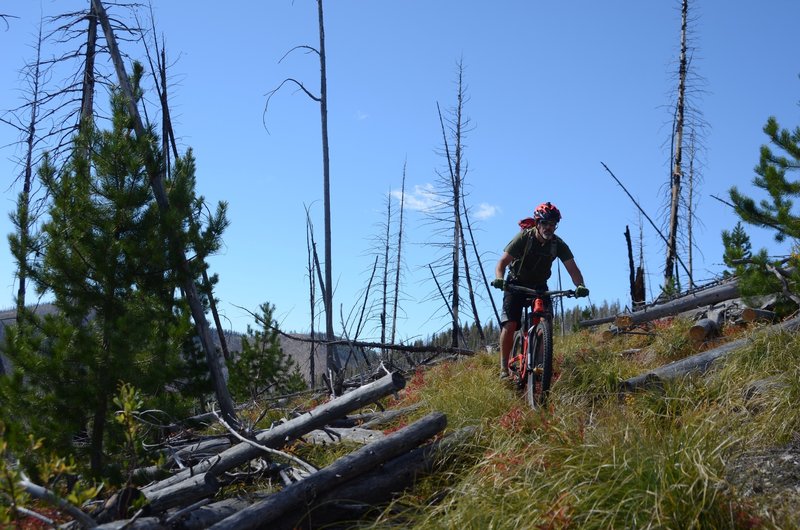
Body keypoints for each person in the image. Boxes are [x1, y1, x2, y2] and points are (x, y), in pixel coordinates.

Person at [491, 201, 589, 379]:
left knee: (546, 322)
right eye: (544, 223)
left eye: (552, 224)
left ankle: (540, 365)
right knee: (510, 324)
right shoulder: (524, 238)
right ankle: (504, 368)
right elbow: (502, 263)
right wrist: (499, 278)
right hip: (516, 283)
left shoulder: (558, 244)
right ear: (537, 223)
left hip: (539, 287)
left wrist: (580, 286)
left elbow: (573, 270)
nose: (548, 227)